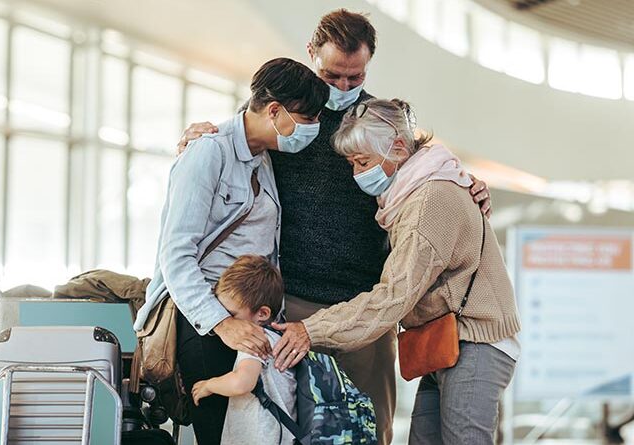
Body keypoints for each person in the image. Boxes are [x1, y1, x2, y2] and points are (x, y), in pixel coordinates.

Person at [177, 9, 493, 444]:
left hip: (367, 308)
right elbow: (239, 140)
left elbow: (422, 168)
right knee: (290, 428)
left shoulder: (379, 124)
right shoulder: (288, 118)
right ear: (311, 54)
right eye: (332, 75)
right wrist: (195, 138)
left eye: (354, 76)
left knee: (367, 428)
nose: (343, 87)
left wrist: (468, 183)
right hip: (291, 304)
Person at [272, 98, 521, 445]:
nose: (358, 174)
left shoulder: (428, 202)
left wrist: (310, 330)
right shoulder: (421, 184)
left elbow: (392, 297)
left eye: (363, 162)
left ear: (399, 147)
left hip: (475, 341)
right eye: (353, 164)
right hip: (446, 340)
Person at [133, 57, 328, 445]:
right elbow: (176, 255)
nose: (313, 130)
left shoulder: (263, 159)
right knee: (219, 435)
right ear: (274, 110)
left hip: (250, 320)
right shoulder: (208, 152)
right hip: (207, 321)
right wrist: (223, 323)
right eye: (307, 120)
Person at [192, 255, 296, 445]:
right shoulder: (278, 338)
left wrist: (208, 385)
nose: (227, 319)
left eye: (232, 314)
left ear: (262, 314)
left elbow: (242, 382)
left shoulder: (254, 341)